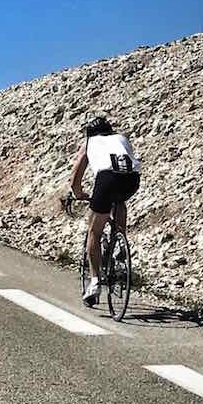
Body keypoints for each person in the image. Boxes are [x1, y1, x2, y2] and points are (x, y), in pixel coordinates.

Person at [69, 115, 142, 306]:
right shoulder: (121, 138)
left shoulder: (89, 142)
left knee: (94, 231)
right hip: (132, 179)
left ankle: (94, 283)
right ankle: (120, 239)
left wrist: (78, 193)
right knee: (119, 200)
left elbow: (76, 176)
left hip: (107, 179)